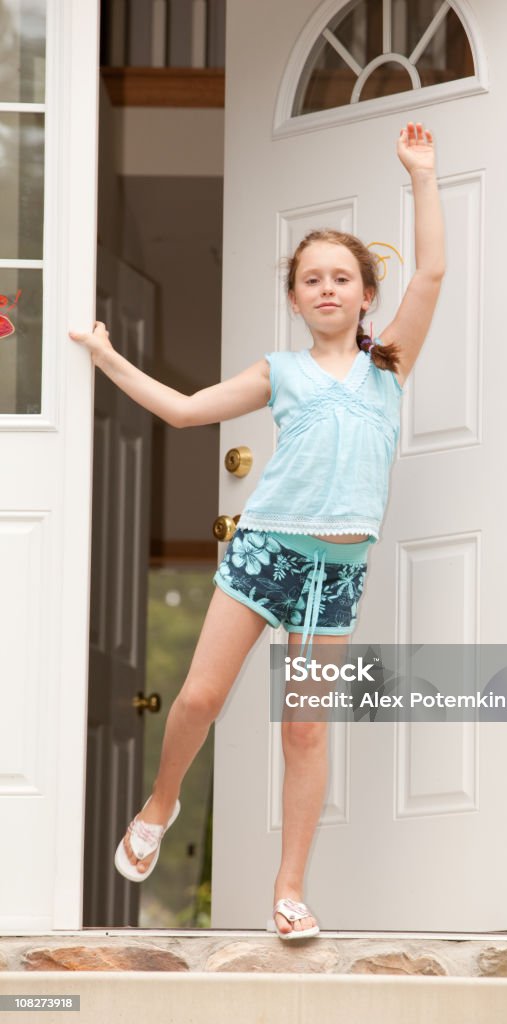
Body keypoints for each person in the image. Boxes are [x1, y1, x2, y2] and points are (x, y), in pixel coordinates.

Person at [69, 121, 445, 940]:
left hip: (334, 573)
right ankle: (160, 802)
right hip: (265, 553)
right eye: (311, 279)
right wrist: (106, 359)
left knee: (305, 728)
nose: (327, 290)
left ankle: (290, 891)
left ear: (367, 295)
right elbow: (184, 409)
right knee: (202, 695)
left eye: (342, 278)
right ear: (295, 297)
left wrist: (421, 175)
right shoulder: (280, 372)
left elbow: (436, 271)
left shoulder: (389, 367)